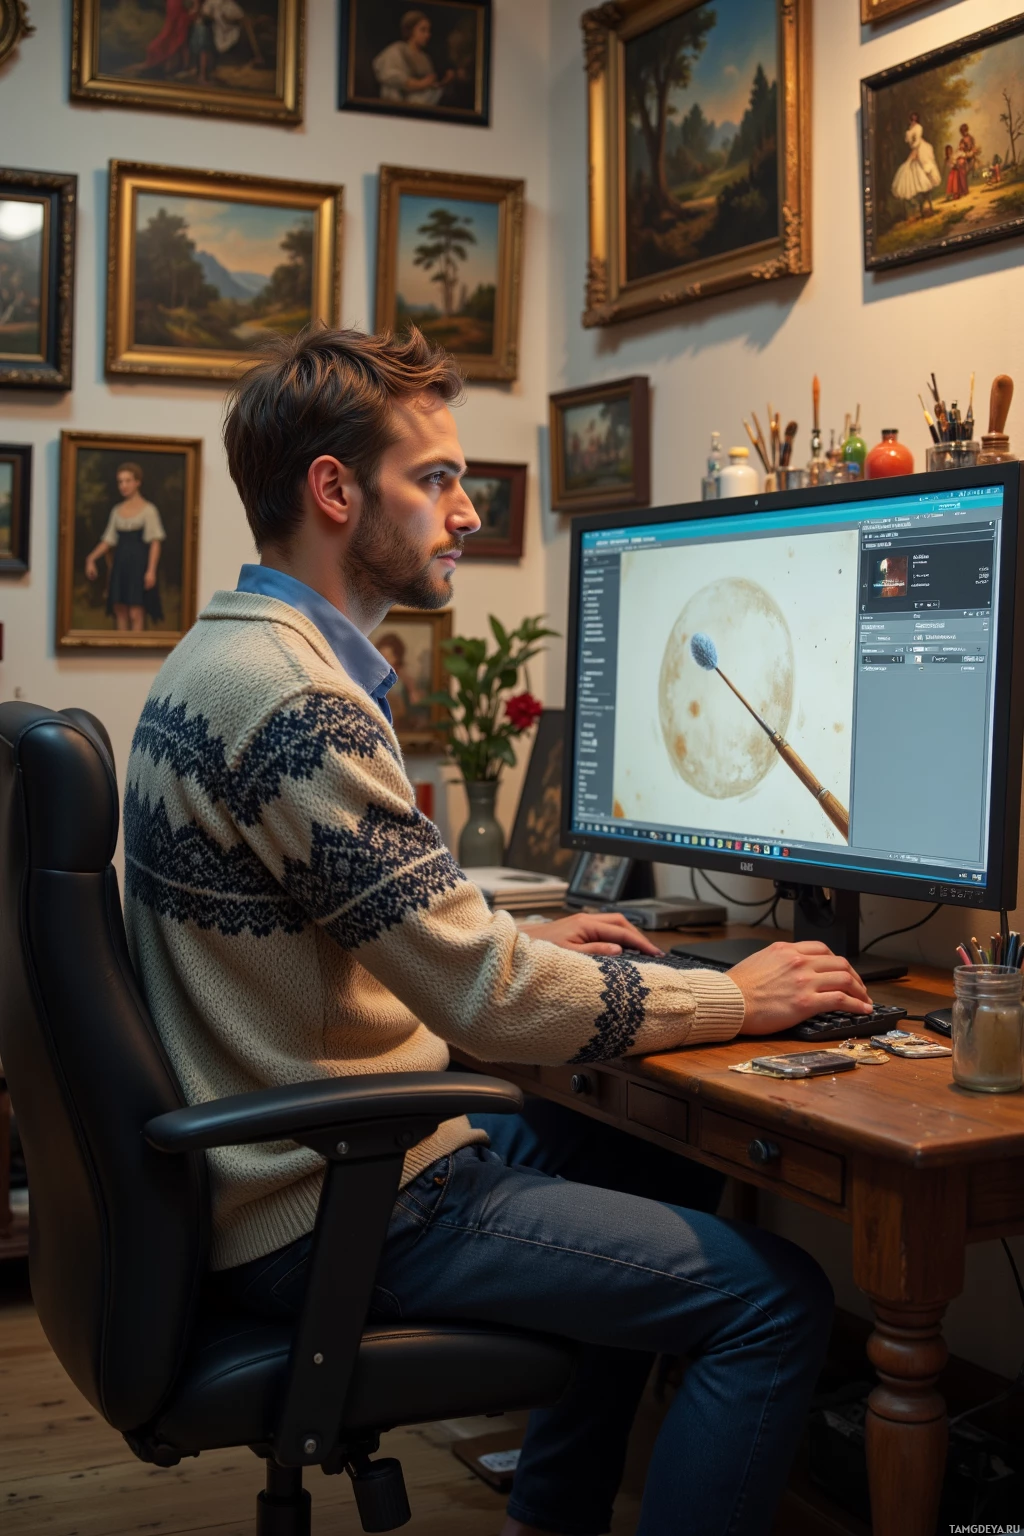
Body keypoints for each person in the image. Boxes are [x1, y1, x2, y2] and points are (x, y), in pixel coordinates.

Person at [123, 326, 872, 1536]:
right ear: (334, 491)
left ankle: (549, 1517)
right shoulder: (297, 703)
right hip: (331, 1203)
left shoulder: (223, 656)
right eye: (436, 480)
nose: (467, 511)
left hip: (287, 1162)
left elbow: (370, 935)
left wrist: (525, 942)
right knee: (774, 1303)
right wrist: (738, 996)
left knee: (654, 1159)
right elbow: (488, 1000)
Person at [84, 462, 165, 633]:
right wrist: (91, 558)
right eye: (120, 482)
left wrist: (151, 571)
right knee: (120, 610)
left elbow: (155, 543)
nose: (123, 485)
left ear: (137, 482)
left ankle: (136, 649)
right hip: (120, 565)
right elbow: (108, 540)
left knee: (136, 612)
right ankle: (121, 648)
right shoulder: (117, 511)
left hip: (139, 565)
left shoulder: (148, 510)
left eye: (127, 481)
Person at [372, 10, 453, 108]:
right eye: (423, 30)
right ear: (411, 31)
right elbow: (389, 75)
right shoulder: (398, 49)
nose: (427, 35)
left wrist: (443, 83)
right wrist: (419, 84)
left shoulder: (425, 58)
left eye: (428, 31)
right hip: (399, 103)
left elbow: (428, 87)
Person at [892, 111, 940, 219]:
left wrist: (915, 152)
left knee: (924, 171)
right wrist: (912, 151)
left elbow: (917, 142)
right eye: (912, 119)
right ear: (910, 120)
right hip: (914, 150)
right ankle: (918, 207)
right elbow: (910, 141)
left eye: (915, 119)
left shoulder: (918, 128)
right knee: (909, 171)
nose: (913, 121)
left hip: (920, 150)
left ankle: (927, 206)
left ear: (917, 120)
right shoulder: (910, 129)